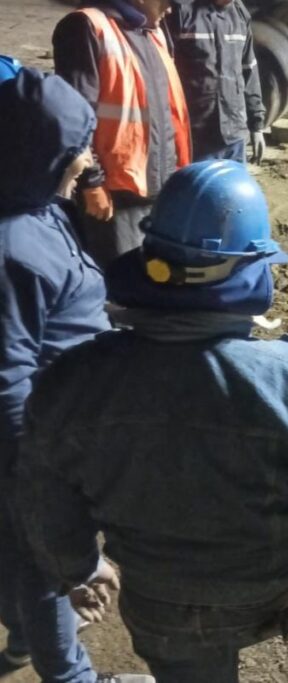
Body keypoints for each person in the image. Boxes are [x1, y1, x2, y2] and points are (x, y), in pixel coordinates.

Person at [17, 161, 288, 683]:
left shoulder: (68, 384)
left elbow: (45, 495)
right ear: (249, 272)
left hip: (166, 609)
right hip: (286, 587)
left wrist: (75, 569)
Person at [0, 66, 151, 683]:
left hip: (64, 422)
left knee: (31, 557)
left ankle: (22, 645)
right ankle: (71, 675)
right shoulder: (9, 249)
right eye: (76, 149)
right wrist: (36, 473)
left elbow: (71, 301)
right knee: (44, 560)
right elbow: (8, 380)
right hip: (39, 442)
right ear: (38, 153)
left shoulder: (36, 207)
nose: (87, 160)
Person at [53, 0, 192, 269]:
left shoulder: (154, 32)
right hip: (113, 193)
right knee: (116, 278)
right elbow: (74, 115)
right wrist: (91, 183)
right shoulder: (87, 26)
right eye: (166, 2)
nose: (171, 9)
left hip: (156, 185)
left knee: (147, 275)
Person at [167, 0, 267, 163]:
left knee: (230, 188)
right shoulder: (181, 11)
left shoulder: (240, 14)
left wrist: (257, 126)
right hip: (194, 134)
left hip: (234, 133)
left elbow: (249, 70)